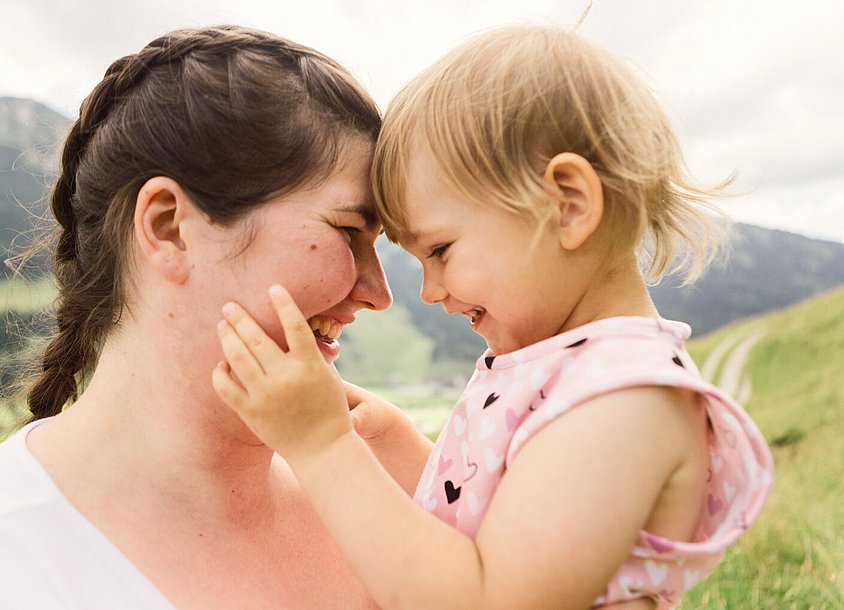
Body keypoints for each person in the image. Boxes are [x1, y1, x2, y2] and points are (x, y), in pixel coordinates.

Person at [213, 25, 775, 610]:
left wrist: (322, 445)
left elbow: (489, 596)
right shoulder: (572, 370)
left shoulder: (625, 401)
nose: (429, 291)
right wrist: (394, 439)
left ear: (568, 206)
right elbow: (501, 517)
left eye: (440, 251)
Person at [0, 25, 392, 608]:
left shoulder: (399, 498)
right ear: (169, 228)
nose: (378, 293)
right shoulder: (17, 552)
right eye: (348, 230)